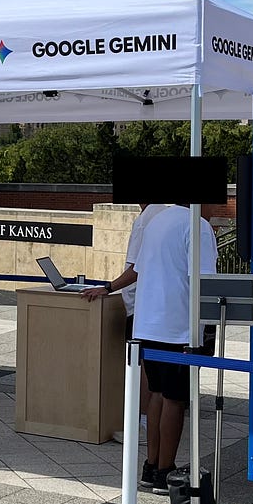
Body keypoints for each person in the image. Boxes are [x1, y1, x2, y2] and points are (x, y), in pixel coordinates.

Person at [126, 204, 217, 492]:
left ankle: (151, 465)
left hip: (148, 322)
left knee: (156, 394)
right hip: (180, 327)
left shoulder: (156, 220)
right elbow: (204, 281)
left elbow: (138, 268)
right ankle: (166, 470)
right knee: (175, 399)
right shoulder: (198, 225)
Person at [82, 202, 169, 483]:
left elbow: (136, 267)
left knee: (145, 369)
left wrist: (107, 287)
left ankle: (141, 424)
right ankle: (144, 426)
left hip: (141, 306)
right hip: (145, 306)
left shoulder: (149, 219)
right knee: (150, 373)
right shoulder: (157, 216)